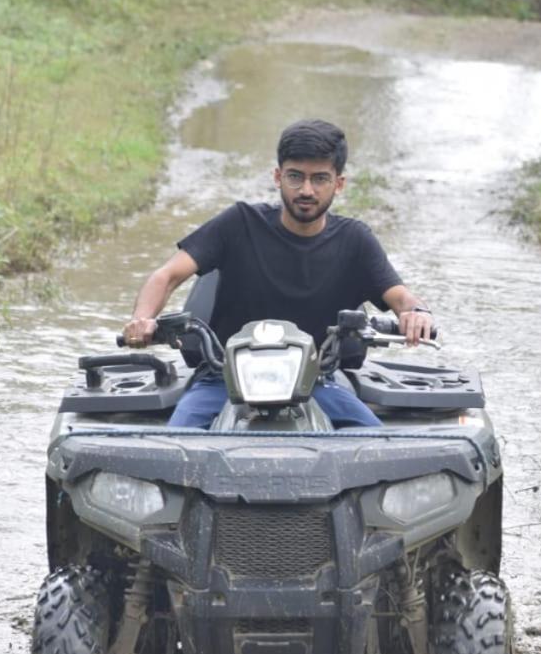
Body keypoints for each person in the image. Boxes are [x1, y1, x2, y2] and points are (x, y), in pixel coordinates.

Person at [122, 119, 434, 428]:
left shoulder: (355, 240)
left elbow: (401, 296)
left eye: (320, 179)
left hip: (316, 381)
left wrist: (416, 314)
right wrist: (143, 319)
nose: (307, 190)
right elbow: (167, 275)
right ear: (278, 177)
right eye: (295, 177)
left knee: (375, 445)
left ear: (339, 183)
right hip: (224, 378)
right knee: (177, 441)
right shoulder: (239, 223)